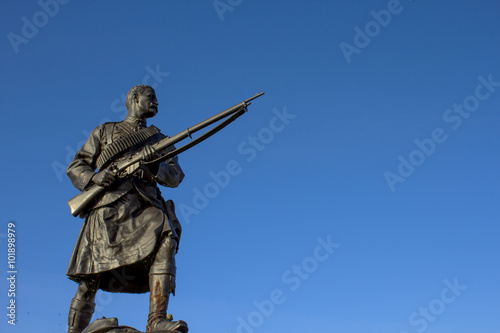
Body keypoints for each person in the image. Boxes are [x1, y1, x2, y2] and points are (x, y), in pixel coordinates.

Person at [66, 85, 188, 333]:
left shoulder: (161, 140)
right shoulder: (105, 131)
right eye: (150, 98)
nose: (156, 103)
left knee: (167, 234)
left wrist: (152, 169)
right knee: (89, 279)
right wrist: (94, 179)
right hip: (108, 207)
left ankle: (157, 320)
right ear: (134, 99)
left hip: (145, 206)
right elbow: (77, 165)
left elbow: (175, 176)